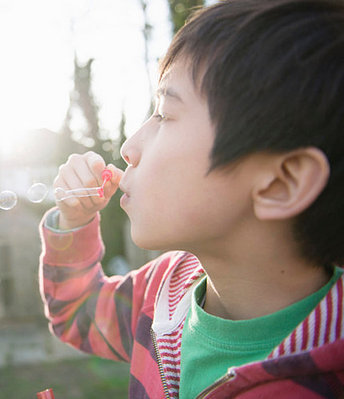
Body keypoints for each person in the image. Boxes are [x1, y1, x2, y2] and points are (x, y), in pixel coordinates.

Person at [38, 0, 344, 397]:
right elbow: (77, 313)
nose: (129, 147)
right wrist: (74, 223)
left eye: (164, 114)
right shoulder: (162, 292)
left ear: (280, 183)